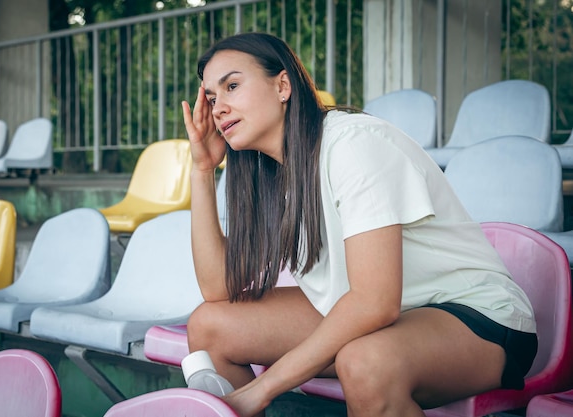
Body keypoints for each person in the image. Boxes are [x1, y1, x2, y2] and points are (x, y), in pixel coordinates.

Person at [181, 32, 537, 417]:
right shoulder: (271, 173)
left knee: (364, 361)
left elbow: (374, 303)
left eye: (232, 86)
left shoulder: (353, 144)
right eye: (213, 98)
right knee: (210, 326)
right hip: (386, 315)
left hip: (474, 317)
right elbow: (217, 288)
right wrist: (202, 170)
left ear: (283, 85)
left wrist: (261, 389)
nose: (218, 108)